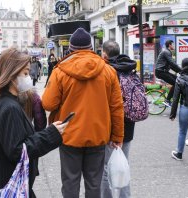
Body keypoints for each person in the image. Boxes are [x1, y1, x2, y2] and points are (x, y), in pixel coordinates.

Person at [42, 28, 124, 198]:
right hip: (98, 134)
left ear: (70, 49)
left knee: (70, 183)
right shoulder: (108, 71)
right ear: (91, 48)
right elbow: (116, 107)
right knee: (94, 184)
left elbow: (48, 104)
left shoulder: (60, 71)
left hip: (69, 135)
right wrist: (117, 137)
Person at [0, 47, 67, 197]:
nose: (29, 77)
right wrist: (51, 134)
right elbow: (17, 151)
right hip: (9, 185)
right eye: (25, 73)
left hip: (2, 182)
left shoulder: (2, 102)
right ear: (11, 75)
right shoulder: (9, 108)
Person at [100, 40, 137, 198]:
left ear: (104, 54)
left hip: (110, 127)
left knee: (106, 169)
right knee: (123, 166)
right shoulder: (130, 69)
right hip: (128, 126)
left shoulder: (106, 71)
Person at [155, 40, 182, 107]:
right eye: (173, 44)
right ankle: (167, 100)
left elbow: (171, 66)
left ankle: (170, 98)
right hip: (160, 72)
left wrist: (180, 72)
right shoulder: (166, 52)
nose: (174, 46)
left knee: (178, 80)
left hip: (163, 71)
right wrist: (181, 71)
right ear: (169, 45)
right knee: (176, 83)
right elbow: (172, 63)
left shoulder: (167, 52)